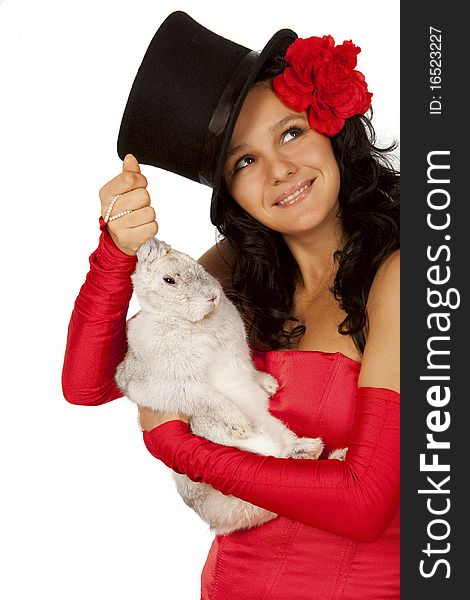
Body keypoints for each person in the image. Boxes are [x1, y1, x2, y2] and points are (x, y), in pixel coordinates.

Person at [62, 11, 400, 599]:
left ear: (331, 130)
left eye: (291, 132)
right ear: (231, 192)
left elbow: (364, 503)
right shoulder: (234, 270)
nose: (280, 170)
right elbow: (88, 383)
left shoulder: (405, 272)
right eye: (245, 162)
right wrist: (116, 254)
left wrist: (182, 448)